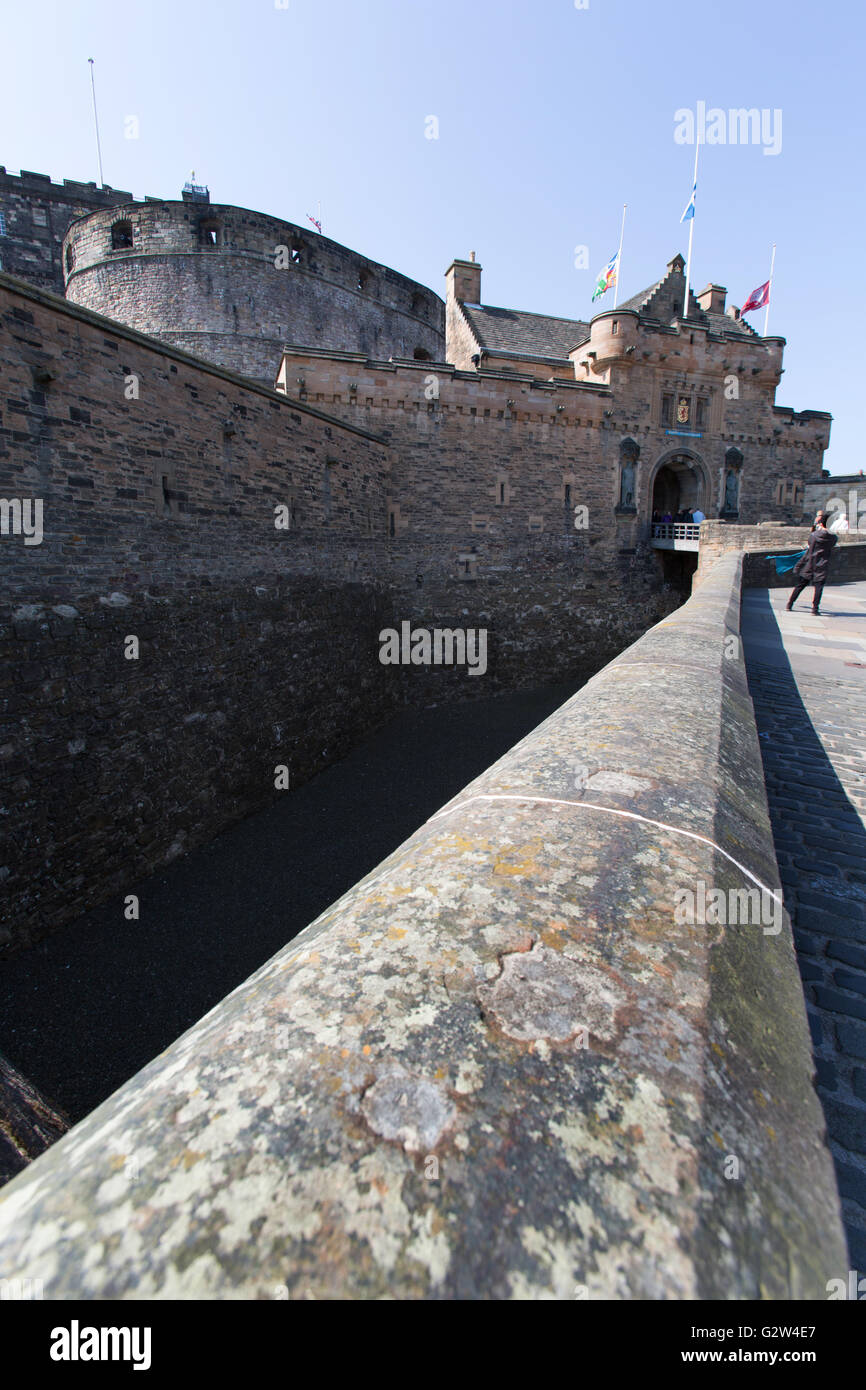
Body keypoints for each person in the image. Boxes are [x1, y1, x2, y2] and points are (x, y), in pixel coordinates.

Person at [786, 512, 837, 614]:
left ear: (821, 524)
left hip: (810, 563)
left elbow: (809, 551)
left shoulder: (814, 535)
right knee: (818, 588)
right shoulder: (833, 537)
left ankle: (790, 604)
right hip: (822, 564)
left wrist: (799, 565)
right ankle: (815, 609)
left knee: (800, 585)